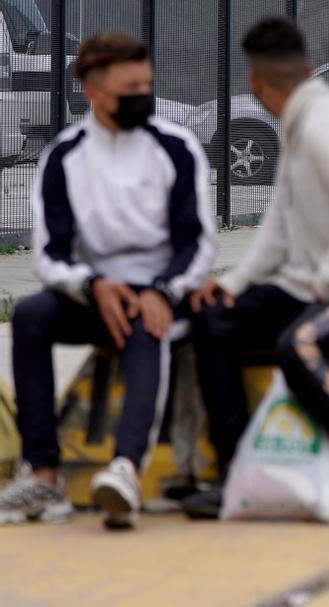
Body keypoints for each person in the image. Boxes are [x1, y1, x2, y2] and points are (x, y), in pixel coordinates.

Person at [182, 17, 329, 527]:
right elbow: (281, 225)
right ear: (308, 70)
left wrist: (327, 281)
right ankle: (234, 471)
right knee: (214, 317)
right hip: (317, 285)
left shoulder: (319, 127)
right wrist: (234, 284)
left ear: (254, 82)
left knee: (300, 344)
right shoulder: (301, 119)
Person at [0, 32, 215, 529]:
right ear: (94, 92)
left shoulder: (176, 147)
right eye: (130, 88)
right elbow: (49, 255)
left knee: (149, 325)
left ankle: (125, 470)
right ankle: (44, 475)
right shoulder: (65, 156)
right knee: (31, 316)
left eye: (147, 84)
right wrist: (93, 284)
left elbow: (197, 244)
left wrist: (161, 290)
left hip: (165, 290)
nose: (144, 95)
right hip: (95, 292)